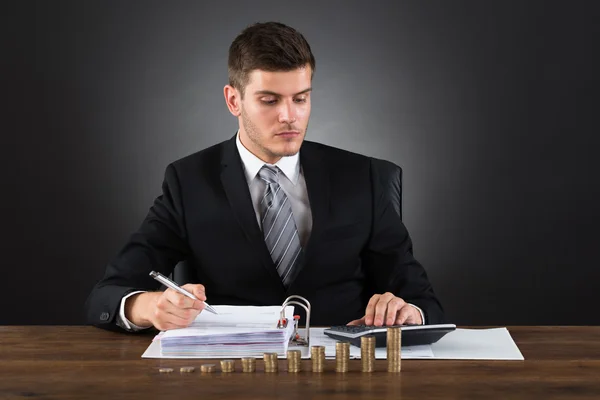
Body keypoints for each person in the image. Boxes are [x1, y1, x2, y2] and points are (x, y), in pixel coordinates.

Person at [85, 21, 444, 333]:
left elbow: (422, 300)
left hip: (343, 372)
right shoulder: (189, 180)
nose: (289, 116)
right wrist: (148, 307)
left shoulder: (362, 177)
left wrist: (408, 311)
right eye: (270, 100)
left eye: (300, 99)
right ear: (233, 101)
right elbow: (108, 293)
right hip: (231, 374)